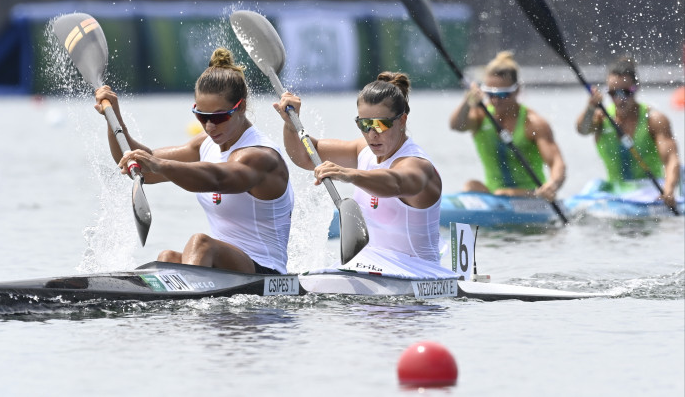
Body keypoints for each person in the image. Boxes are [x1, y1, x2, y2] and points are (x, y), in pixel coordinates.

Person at [94, 47, 294, 274]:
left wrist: (160, 165)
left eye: (219, 117)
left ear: (241, 108)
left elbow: (217, 178)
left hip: (266, 273)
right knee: (167, 257)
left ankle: (189, 302)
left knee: (200, 244)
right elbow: (140, 168)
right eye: (201, 116)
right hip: (226, 268)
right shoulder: (205, 144)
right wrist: (113, 118)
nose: (209, 126)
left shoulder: (260, 156)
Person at [274, 71, 445, 275]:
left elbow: (397, 182)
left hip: (418, 275)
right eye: (364, 124)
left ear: (402, 120)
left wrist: (349, 174)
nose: (372, 134)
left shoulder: (417, 165)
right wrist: (290, 125)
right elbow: (304, 155)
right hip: (370, 270)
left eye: (381, 124)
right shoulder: (362, 150)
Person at [449, 51, 566, 201]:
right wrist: (467, 102)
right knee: (471, 185)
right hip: (496, 196)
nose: (496, 101)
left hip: (531, 196)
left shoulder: (534, 123)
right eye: (490, 94)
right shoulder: (480, 115)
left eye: (503, 95)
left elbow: (556, 162)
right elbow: (456, 125)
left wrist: (553, 185)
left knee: (500, 193)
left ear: (517, 90)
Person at [576, 56, 680, 209]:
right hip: (615, 193)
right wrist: (590, 108)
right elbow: (582, 130)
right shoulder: (601, 117)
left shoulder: (654, 120)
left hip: (650, 191)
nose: (620, 100)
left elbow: (672, 160)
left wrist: (669, 190)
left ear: (636, 88)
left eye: (625, 92)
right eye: (613, 93)